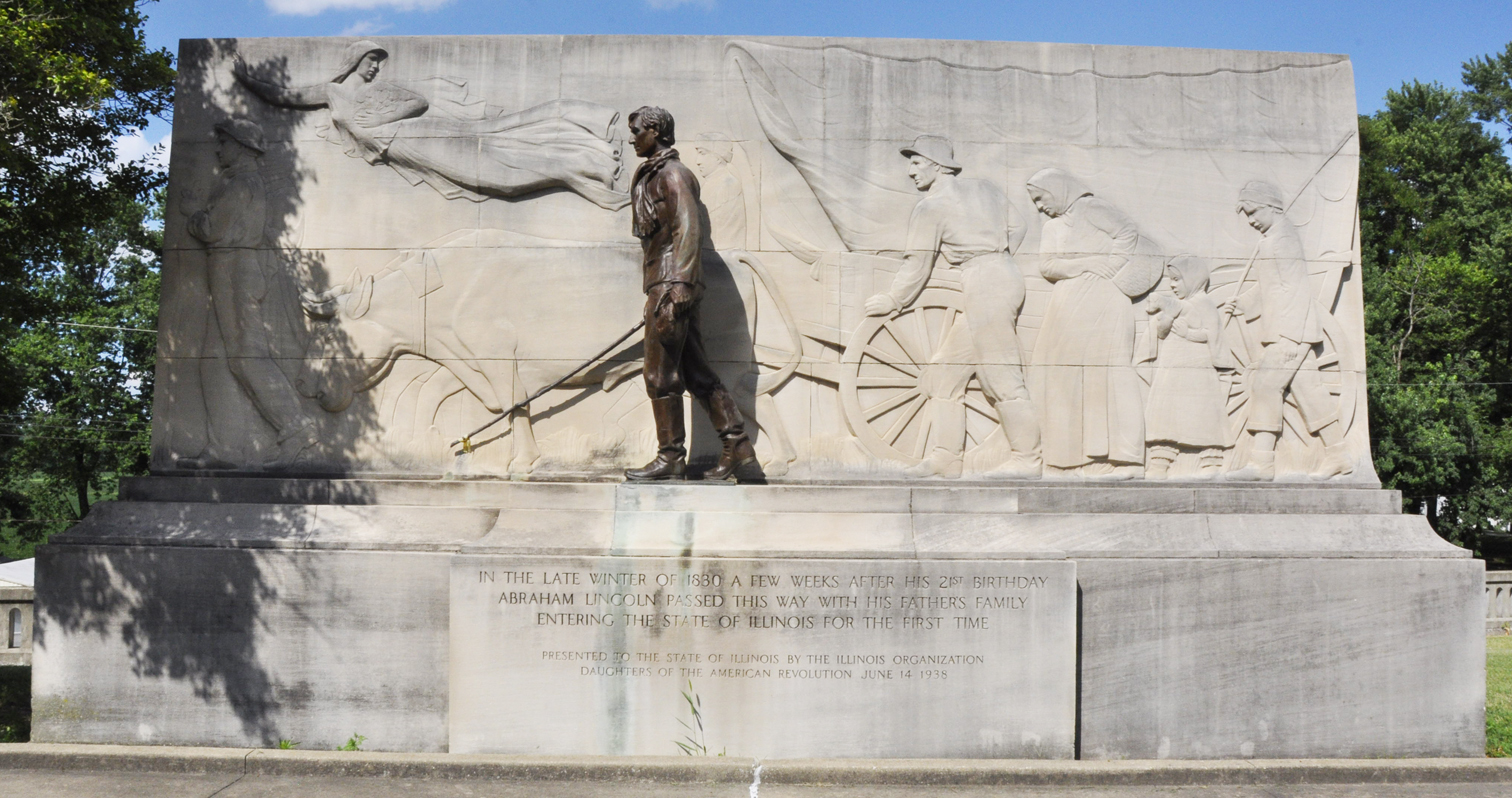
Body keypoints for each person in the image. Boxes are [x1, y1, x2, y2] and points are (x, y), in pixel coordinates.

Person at [232, 41, 628, 210]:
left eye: (378, 62)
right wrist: (248, 81)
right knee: (497, 170)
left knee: (497, 167)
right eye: (371, 60)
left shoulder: (378, 91)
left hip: (415, 136)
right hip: (403, 148)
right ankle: (581, 168)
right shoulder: (332, 92)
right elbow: (285, 96)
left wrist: (378, 118)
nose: (375, 67)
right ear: (354, 61)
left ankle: (585, 166)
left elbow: (417, 103)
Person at [864, 135, 1040, 478]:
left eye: (917, 162)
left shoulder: (930, 208)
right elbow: (1018, 227)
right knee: (944, 374)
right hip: (1003, 274)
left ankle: (1028, 459)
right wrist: (996, 255)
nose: (910, 171)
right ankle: (947, 459)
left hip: (983, 282)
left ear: (937, 165)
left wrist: (895, 299)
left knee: (1000, 375)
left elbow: (918, 263)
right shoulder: (985, 188)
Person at [623, 106, 755, 482]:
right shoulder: (652, 175)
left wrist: (679, 284)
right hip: (665, 281)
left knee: (659, 375)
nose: (632, 139)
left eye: (637, 131)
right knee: (696, 372)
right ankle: (738, 447)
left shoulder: (673, 174)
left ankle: (670, 457)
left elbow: (688, 227)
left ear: (655, 131)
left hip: (671, 283)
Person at [185, 119, 316, 469]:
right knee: (215, 359)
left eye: (224, 143)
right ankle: (224, 449)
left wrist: (192, 214)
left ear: (242, 147)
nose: (218, 149)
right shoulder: (239, 182)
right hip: (227, 269)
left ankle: (297, 430)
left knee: (247, 356)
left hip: (234, 270)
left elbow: (212, 230)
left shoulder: (241, 184)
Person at [1025, 168, 1162, 479]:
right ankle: (1067, 460)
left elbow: (1127, 231)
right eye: (1034, 202)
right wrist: (1088, 262)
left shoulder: (1092, 208)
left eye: (1041, 198)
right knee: (1061, 376)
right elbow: (1047, 266)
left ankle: (1127, 460)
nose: (1040, 207)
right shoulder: (1052, 228)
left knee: (1111, 373)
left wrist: (1113, 266)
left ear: (1058, 189)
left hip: (1104, 300)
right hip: (1068, 305)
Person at [1221, 180, 1353, 481]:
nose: (1251, 220)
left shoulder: (1283, 240)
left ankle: (1262, 463)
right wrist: (1243, 303)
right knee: (1309, 391)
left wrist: (1291, 336)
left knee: (1265, 386)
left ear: (1271, 207)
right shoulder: (1271, 239)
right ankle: (1339, 455)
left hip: (1290, 330)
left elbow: (1294, 288)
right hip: (1288, 329)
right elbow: (1270, 285)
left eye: (1253, 212)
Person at [1142, 256, 1228, 479]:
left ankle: (1211, 462)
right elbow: (1161, 331)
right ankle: (1160, 462)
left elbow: (1212, 334)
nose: (1172, 285)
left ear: (1192, 278)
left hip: (1196, 369)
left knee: (1201, 412)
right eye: (1171, 280)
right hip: (1172, 367)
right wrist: (1167, 318)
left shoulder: (1204, 303)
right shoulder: (1176, 304)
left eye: (1177, 279)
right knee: (1166, 412)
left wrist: (1189, 334)